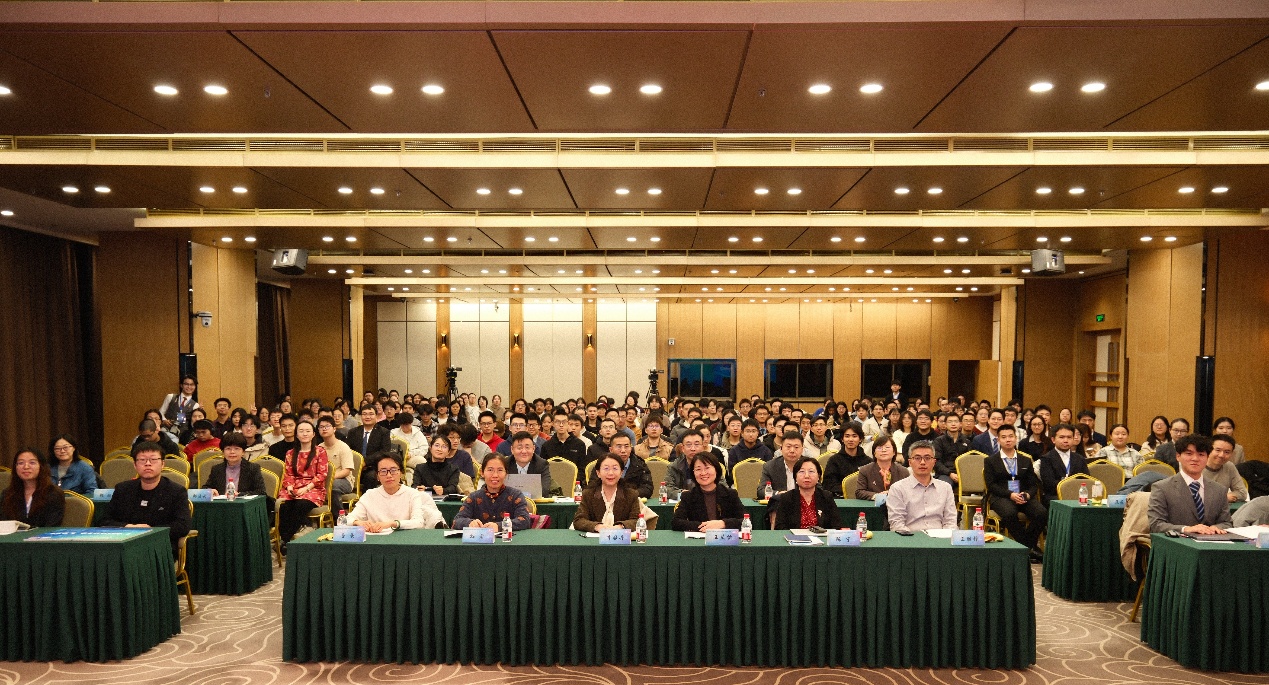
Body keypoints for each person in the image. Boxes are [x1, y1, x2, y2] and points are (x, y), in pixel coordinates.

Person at [102, 442, 192, 552]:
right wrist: (128, 527)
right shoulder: (123, 489)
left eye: (153, 459)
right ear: (135, 465)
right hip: (124, 546)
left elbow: (182, 526)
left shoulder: (176, 491)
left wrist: (150, 531)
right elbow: (104, 521)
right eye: (142, 460)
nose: (148, 464)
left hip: (159, 547)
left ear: (162, 464)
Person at [983, 424, 1046, 560]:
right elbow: (991, 485)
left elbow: (1033, 484)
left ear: (1016, 438)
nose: (1008, 440)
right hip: (1001, 496)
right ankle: (1029, 548)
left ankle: (1024, 547)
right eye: (1004, 437)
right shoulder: (990, 461)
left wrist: (1027, 494)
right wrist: (1010, 494)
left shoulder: (1025, 459)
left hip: (1023, 496)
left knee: (1041, 513)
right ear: (998, 440)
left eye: (1011, 436)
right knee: (1010, 513)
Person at [1148, 435, 1231, 534]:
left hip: (1210, 541)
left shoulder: (1219, 489)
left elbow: (1227, 523)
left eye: (1201, 454)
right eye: (1189, 454)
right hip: (1177, 541)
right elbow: (1155, 525)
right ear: (1178, 456)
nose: (1195, 458)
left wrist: (1216, 527)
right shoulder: (1162, 488)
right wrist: (1186, 529)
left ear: (1207, 458)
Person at [349, 452, 444, 531]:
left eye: (393, 470)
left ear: (401, 473)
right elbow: (346, 519)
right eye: (383, 471)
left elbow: (418, 522)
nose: (389, 475)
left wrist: (393, 524)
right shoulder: (369, 495)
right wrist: (357, 522)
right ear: (377, 476)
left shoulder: (412, 494)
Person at [886, 441, 957, 533]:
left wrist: (945, 536)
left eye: (927, 458)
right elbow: (897, 524)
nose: (923, 462)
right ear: (910, 462)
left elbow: (950, 521)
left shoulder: (945, 488)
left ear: (934, 462)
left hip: (940, 538)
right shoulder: (897, 488)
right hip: (910, 537)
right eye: (917, 458)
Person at [277, 420, 329, 545]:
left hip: (313, 488)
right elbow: (288, 474)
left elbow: (322, 475)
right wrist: (289, 487)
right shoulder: (290, 453)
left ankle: (285, 540)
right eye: (301, 431)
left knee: (300, 505)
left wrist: (306, 488)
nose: (304, 434)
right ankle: (288, 537)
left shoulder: (320, 452)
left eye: (308, 431)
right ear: (296, 434)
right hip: (294, 487)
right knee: (284, 506)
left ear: (313, 434)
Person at [452, 454, 532, 530]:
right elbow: (457, 521)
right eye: (490, 470)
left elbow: (525, 521)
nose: (495, 475)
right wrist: (469, 523)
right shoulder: (474, 497)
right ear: (482, 473)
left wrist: (499, 526)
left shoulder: (515, 495)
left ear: (506, 473)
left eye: (500, 470)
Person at [671, 452, 745, 532]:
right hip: (700, 538)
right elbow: (676, 523)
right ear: (693, 473)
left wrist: (723, 523)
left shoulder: (730, 494)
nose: (703, 473)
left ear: (716, 469)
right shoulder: (688, 496)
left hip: (724, 539)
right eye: (698, 469)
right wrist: (705, 526)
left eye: (707, 468)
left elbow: (745, 521)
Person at [573, 454, 643, 532]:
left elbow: (636, 520)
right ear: (598, 473)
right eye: (606, 468)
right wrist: (597, 526)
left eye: (615, 468)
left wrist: (621, 526)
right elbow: (579, 520)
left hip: (620, 538)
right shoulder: (588, 494)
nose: (610, 473)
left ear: (621, 472)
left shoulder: (631, 494)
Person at [769, 457, 843, 530]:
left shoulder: (826, 497)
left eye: (811, 471)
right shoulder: (786, 498)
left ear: (818, 476)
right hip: (794, 537)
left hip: (821, 537)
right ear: (795, 477)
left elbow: (837, 525)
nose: (806, 476)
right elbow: (779, 527)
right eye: (802, 471)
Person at [1, 448, 64, 527]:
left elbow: (51, 526)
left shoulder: (53, 494)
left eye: (32, 462)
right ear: (15, 467)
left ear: (41, 466)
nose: (26, 467)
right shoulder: (7, 494)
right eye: (21, 463)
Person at [203, 432, 268, 501]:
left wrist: (240, 494)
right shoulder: (217, 469)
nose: (232, 452)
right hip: (222, 505)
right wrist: (210, 491)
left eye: (236, 448)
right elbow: (205, 488)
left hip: (244, 505)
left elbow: (261, 492)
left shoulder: (252, 468)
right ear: (223, 452)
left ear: (243, 452)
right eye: (228, 448)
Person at [586, 433, 653, 498]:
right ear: (611, 449)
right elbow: (592, 488)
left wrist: (627, 495)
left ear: (631, 448)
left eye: (626, 446)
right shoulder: (602, 465)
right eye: (619, 447)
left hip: (631, 501)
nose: (623, 450)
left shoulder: (640, 465)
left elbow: (647, 489)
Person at [344, 404, 391, 493]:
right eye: (364, 414)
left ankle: (366, 500)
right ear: (361, 416)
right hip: (354, 466)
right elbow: (347, 450)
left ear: (376, 416)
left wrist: (365, 462)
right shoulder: (353, 432)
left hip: (373, 466)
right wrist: (357, 463)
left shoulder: (383, 432)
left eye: (371, 414)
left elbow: (384, 451)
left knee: (370, 477)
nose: (368, 417)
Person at [1037, 424, 1088, 505]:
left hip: (1077, 494)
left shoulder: (1080, 458)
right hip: (1055, 496)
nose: (1065, 440)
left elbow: (1086, 479)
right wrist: (1069, 487)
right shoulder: (1046, 459)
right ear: (1053, 439)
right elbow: (1049, 484)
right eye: (1061, 437)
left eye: (1069, 437)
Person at [822, 423, 870, 497]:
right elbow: (828, 485)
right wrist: (847, 490)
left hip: (864, 498)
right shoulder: (834, 460)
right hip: (841, 498)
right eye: (847, 436)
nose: (850, 439)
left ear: (860, 439)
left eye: (854, 436)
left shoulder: (868, 461)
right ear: (842, 439)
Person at [855, 434, 909, 501]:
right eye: (879, 448)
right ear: (874, 453)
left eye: (887, 447)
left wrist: (892, 494)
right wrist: (878, 496)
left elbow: (908, 492)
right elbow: (859, 492)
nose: (883, 450)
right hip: (873, 505)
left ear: (894, 452)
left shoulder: (903, 471)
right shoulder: (865, 470)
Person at [316, 416, 355, 504]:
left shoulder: (343, 447)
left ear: (334, 429)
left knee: (333, 485)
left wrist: (329, 478)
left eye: (327, 426)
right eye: (321, 427)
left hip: (344, 480)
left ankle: (338, 512)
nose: (324, 429)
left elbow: (346, 471)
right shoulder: (319, 448)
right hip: (323, 479)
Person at [504, 431, 556, 496]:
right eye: (519, 448)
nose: (524, 451)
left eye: (527, 447)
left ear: (533, 449)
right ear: (512, 449)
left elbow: (544, 490)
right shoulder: (505, 464)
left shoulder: (541, 464)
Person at [540, 408, 588, 479]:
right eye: (558, 422)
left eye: (564, 422)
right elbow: (543, 469)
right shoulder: (546, 445)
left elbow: (582, 470)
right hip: (552, 482)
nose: (561, 425)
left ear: (568, 423)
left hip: (573, 481)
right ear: (553, 424)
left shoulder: (579, 444)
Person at [757, 430, 805, 499]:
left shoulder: (809, 465)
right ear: (781, 448)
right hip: (780, 503)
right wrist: (778, 494)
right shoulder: (770, 466)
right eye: (788, 446)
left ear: (802, 449)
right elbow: (761, 491)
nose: (792, 450)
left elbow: (818, 489)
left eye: (796, 447)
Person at [1205, 434, 1248, 503]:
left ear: (1232, 454)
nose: (1221, 455)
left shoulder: (1229, 466)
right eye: (1218, 450)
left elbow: (1242, 493)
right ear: (1209, 449)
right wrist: (1223, 498)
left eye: (1227, 452)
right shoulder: (1196, 465)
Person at [932, 412, 971, 486]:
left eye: (956, 421)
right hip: (945, 473)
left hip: (963, 473)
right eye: (950, 422)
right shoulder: (939, 441)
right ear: (945, 424)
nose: (953, 424)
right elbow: (936, 462)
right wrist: (949, 473)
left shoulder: (966, 441)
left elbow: (969, 461)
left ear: (960, 424)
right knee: (944, 485)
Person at [666, 432, 708, 498]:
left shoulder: (711, 465)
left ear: (703, 447)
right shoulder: (674, 466)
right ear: (683, 448)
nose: (693, 449)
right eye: (688, 445)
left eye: (697, 444)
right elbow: (667, 489)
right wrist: (683, 494)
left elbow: (722, 486)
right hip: (682, 500)